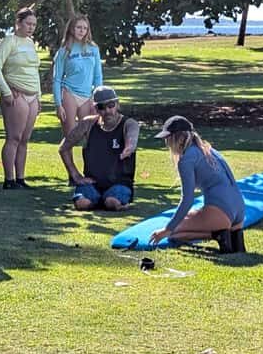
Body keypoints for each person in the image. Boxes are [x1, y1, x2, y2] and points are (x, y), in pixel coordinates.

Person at [149, 116, 246, 254]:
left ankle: (219, 235)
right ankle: (236, 237)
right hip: (240, 209)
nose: (167, 143)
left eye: (168, 139)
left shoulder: (186, 159)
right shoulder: (209, 150)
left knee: (173, 233)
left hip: (221, 213)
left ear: (179, 138)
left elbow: (187, 200)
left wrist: (166, 229)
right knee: (190, 217)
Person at [58, 86, 138, 211]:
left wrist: (128, 148)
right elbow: (64, 148)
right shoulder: (88, 124)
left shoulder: (128, 124)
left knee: (112, 202)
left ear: (117, 104)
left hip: (120, 183)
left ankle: (114, 203)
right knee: (82, 204)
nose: (107, 111)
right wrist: (75, 175)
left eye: (111, 105)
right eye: (102, 107)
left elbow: (132, 139)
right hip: (92, 184)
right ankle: (98, 201)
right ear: (96, 109)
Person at [0, 7, 41, 189]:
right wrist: (6, 92)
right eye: (28, 23)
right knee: (14, 137)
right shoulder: (9, 41)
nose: (31, 27)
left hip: (32, 95)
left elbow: (35, 71)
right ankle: (9, 179)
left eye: (34, 24)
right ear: (18, 23)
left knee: (25, 139)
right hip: (16, 95)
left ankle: (20, 178)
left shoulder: (30, 43)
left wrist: (39, 97)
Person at [53, 15, 103, 185]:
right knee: (70, 137)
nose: (82, 31)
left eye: (84, 28)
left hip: (87, 96)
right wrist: (58, 104)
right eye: (78, 27)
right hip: (69, 94)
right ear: (72, 29)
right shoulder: (64, 50)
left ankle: (92, 172)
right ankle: (72, 175)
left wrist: (98, 99)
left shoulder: (93, 49)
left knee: (91, 136)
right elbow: (57, 78)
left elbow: (98, 76)